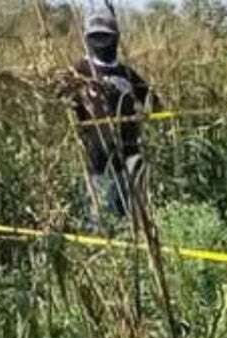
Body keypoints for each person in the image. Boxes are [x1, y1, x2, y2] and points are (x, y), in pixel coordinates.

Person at [64, 3, 159, 230]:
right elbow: (62, 103)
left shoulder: (125, 72)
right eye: (97, 36)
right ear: (88, 38)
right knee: (101, 212)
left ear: (115, 38)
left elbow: (152, 99)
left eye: (105, 36)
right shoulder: (79, 71)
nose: (102, 43)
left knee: (127, 209)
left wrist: (148, 120)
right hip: (98, 155)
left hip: (129, 151)